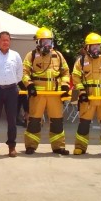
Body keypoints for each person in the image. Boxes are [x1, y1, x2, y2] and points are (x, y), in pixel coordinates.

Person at [21, 27, 71, 155]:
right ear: (38, 42)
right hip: (37, 95)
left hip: (54, 94)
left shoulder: (58, 55)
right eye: (44, 42)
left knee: (57, 121)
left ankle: (58, 147)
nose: (47, 45)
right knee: (34, 121)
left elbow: (65, 71)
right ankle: (31, 146)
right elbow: (24, 72)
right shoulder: (31, 55)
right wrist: (29, 85)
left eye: (49, 41)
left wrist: (65, 84)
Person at [71, 32, 101, 157]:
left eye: (97, 46)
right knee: (84, 124)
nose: (95, 49)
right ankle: (80, 147)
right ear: (87, 47)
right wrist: (81, 92)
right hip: (88, 98)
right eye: (92, 46)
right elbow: (76, 77)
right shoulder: (81, 61)